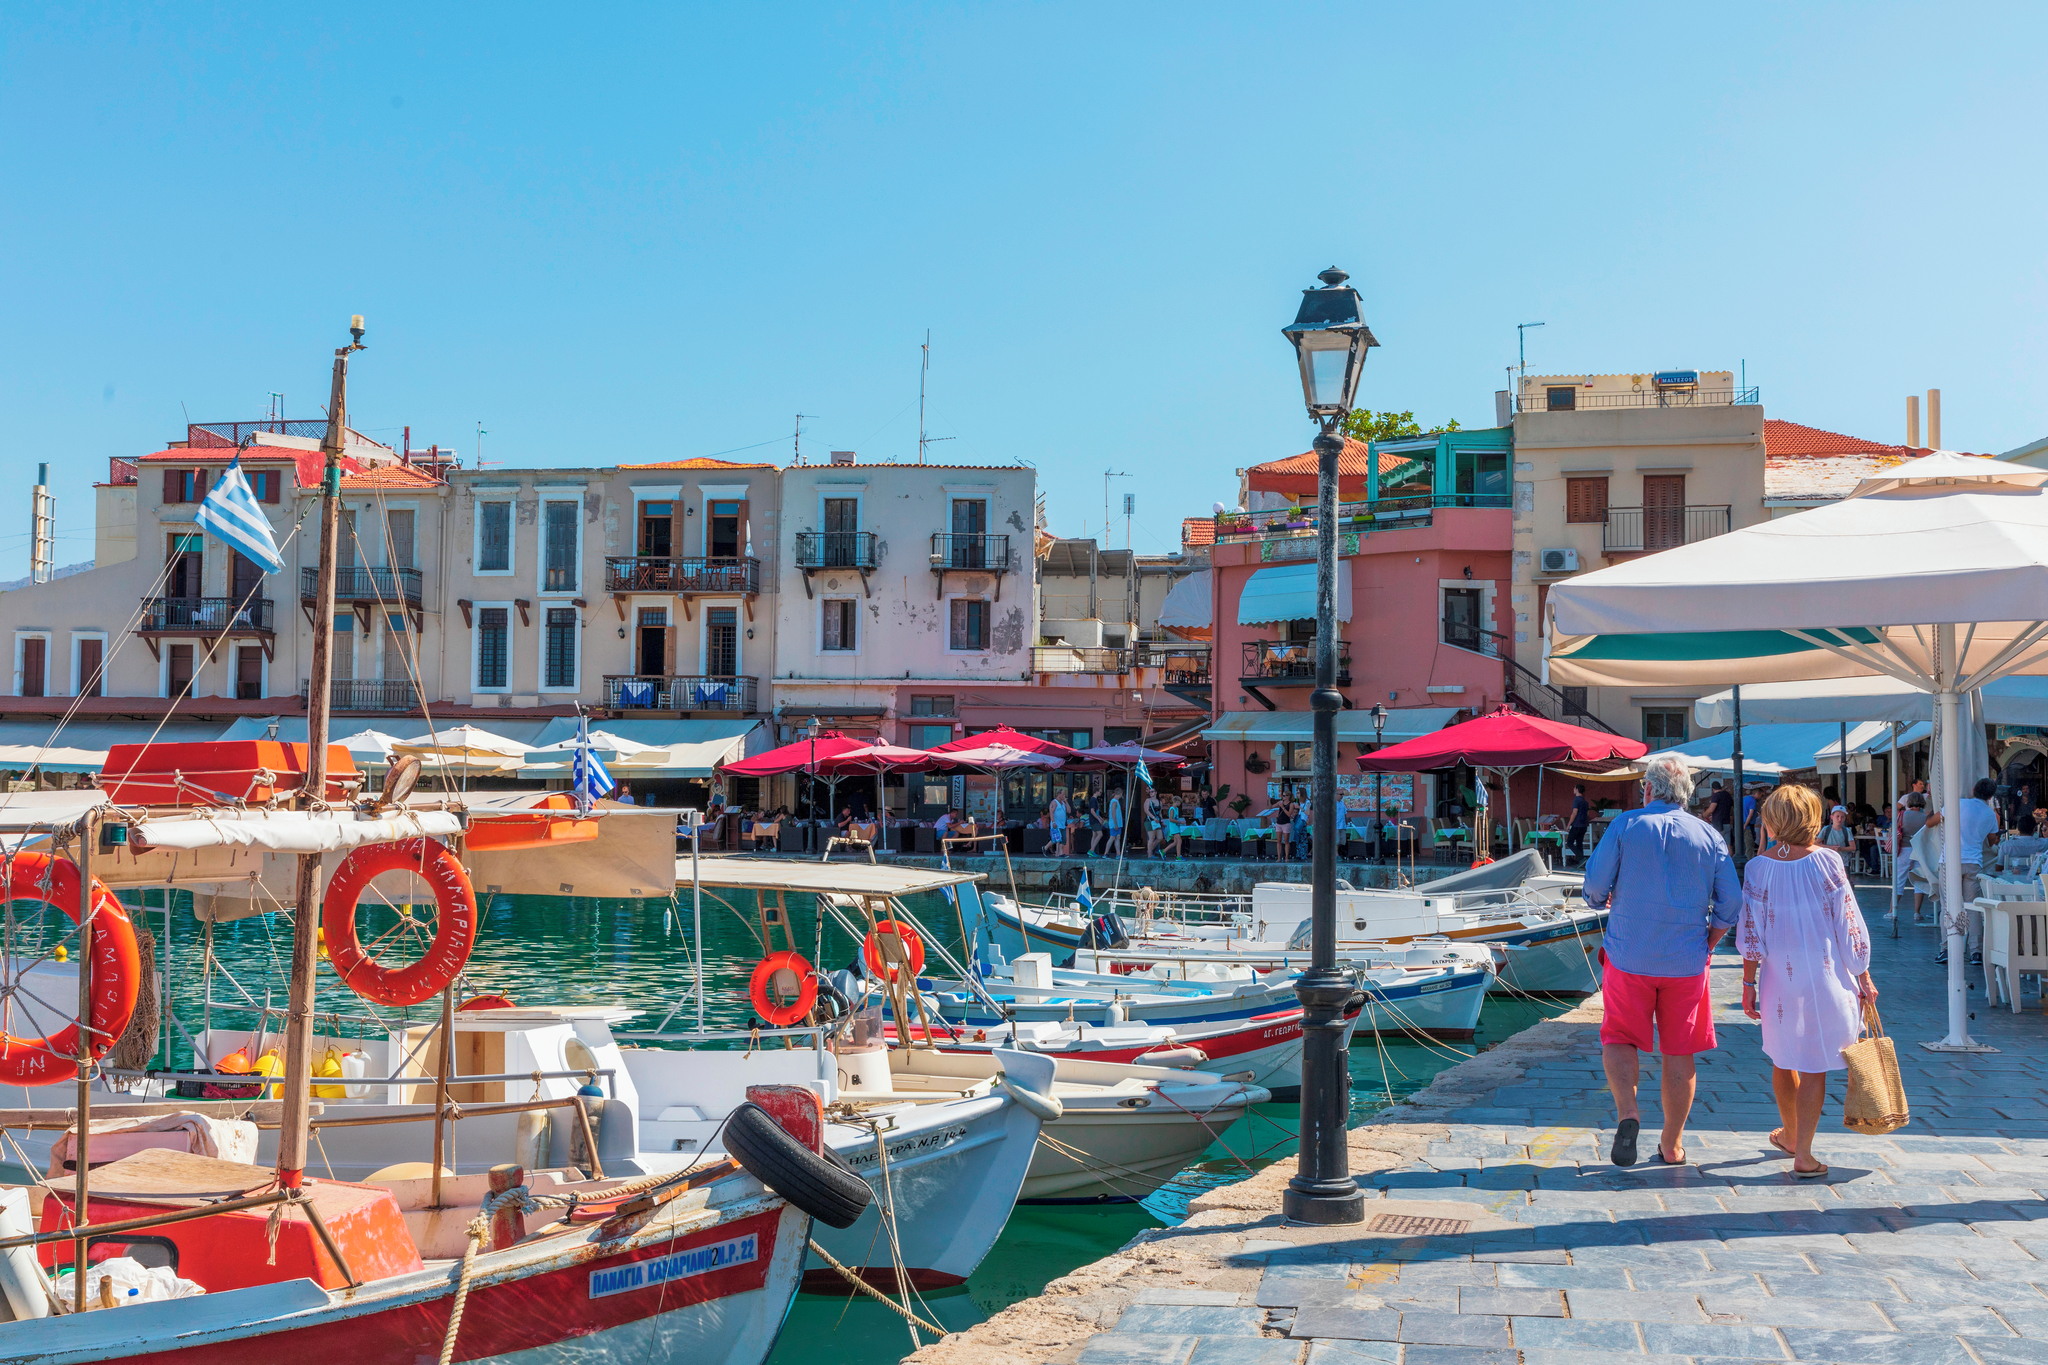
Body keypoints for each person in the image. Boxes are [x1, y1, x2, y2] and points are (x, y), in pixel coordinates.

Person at [1582, 755, 1741, 1167]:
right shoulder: (1709, 836)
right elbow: (1732, 903)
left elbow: (1595, 888)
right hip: (1686, 960)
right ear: (1688, 794)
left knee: (1619, 1036)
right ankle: (1672, 1145)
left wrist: (1601, 900)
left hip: (1628, 954)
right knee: (1679, 1049)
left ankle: (1628, 1112)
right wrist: (1710, 940)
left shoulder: (1625, 826)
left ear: (1649, 789)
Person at [1737, 784, 1878, 1180]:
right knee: (1814, 1065)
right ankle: (1803, 1153)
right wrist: (1863, 974)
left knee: (1783, 1058)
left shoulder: (1757, 868)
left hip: (1778, 981)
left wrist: (1748, 984)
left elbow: (1751, 934)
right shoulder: (1828, 862)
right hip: (1825, 976)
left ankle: (1790, 1134)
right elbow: (1848, 924)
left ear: (1772, 820)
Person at [1924, 776, 2001, 966]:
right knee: (1973, 908)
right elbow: (1992, 841)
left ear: (1973, 788)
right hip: (1973, 862)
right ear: (1991, 796)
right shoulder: (1990, 814)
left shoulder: (1957, 804)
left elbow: (1930, 822)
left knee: (1948, 906)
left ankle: (1947, 948)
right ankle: (1976, 951)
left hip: (1950, 860)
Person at [1566, 783, 1591, 867]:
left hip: (1576, 825)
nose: (1573, 790)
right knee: (1579, 843)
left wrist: (1569, 824)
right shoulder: (1585, 802)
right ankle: (1581, 862)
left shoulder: (1576, 800)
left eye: (1574, 788)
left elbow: (1574, 813)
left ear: (1577, 790)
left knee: (1569, 842)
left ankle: (1581, 858)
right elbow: (1587, 814)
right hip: (1583, 825)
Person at [1706, 781, 1734, 845]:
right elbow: (1731, 809)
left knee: (1716, 844)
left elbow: (1711, 809)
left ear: (1713, 789)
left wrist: (1703, 815)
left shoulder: (1716, 795)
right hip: (1727, 823)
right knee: (1728, 845)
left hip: (1718, 824)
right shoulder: (1727, 795)